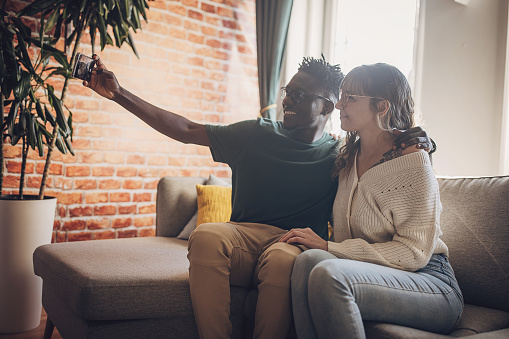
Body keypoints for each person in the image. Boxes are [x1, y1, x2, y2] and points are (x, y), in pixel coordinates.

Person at [83, 55, 431, 339]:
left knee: (283, 260)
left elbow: (388, 150)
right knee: (206, 235)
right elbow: (186, 130)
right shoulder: (254, 133)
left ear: (327, 108)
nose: (287, 101)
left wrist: (422, 141)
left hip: (292, 244)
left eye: (300, 95)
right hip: (242, 239)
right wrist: (119, 94)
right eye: (287, 91)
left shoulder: (339, 155)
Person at [280, 63, 463, 339]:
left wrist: (331, 247)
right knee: (307, 262)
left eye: (351, 98)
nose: (339, 103)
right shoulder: (347, 156)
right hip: (371, 271)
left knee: (328, 273)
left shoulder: (412, 159)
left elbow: (414, 253)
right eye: (342, 95)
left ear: (382, 107)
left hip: (430, 281)